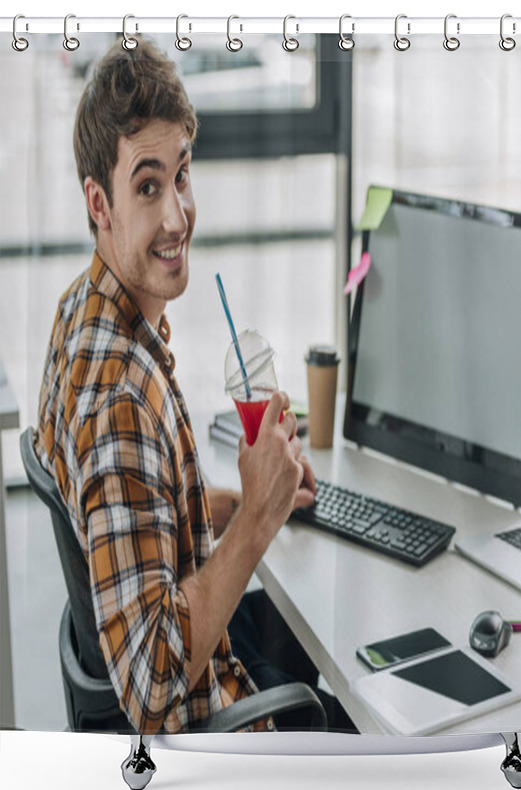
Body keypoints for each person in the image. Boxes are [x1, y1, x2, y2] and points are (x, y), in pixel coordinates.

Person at [35, 38, 353, 736]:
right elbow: (150, 688)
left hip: (202, 672)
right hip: (211, 734)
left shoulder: (80, 310)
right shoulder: (121, 399)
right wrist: (259, 520)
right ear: (100, 202)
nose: (178, 216)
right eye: (147, 186)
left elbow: (126, 513)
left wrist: (233, 501)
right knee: (377, 723)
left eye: (182, 175)